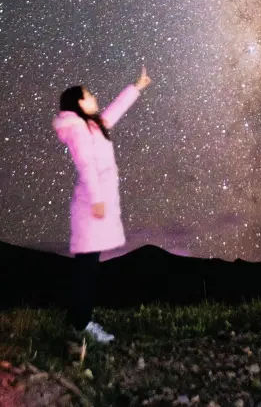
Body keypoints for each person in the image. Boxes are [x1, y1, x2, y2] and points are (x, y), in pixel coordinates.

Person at [53, 66, 152, 343]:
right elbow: (86, 165)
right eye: (89, 95)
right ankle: (81, 324)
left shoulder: (90, 126)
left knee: (89, 265)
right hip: (90, 205)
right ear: (79, 103)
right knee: (87, 267)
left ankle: (77, 319)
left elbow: (112, 114)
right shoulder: (79, 131)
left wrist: (137, 87)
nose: (94, 98)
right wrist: (97, 200)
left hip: (94, 203)